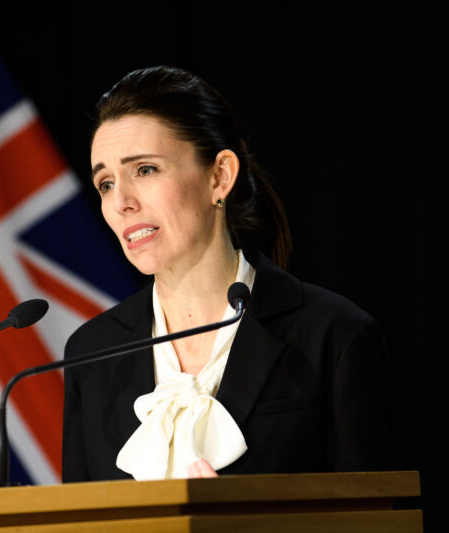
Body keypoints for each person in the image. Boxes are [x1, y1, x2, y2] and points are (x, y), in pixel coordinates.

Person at [62, 66, 396, 482]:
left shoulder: (333, 336)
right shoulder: (92, 353)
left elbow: (378, 518)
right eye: (106, 183)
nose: (121, 202)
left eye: (145, 170)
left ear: (219, 176)